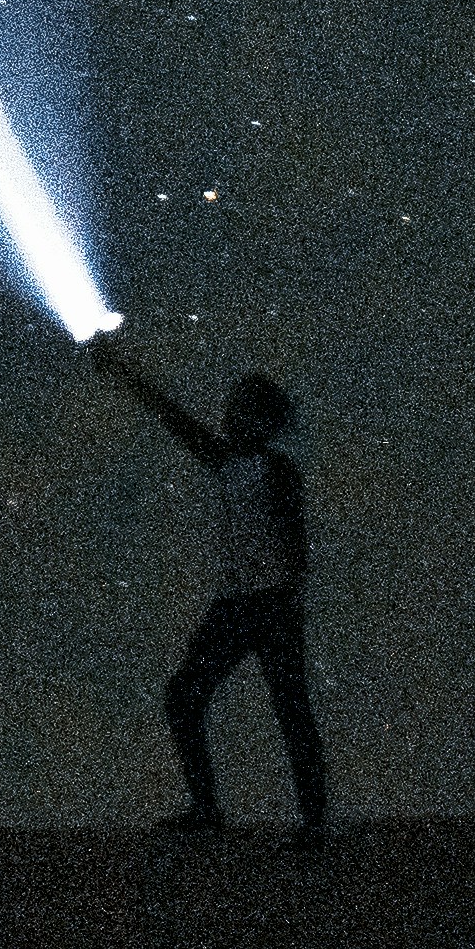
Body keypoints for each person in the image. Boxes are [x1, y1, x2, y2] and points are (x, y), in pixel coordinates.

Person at [92, 331, 329, 852]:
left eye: (239, 409)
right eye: (229, 408)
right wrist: (124, 372)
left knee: (288, 707)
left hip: (268, 601)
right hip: (242, 600)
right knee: (190, 697)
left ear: (260, 419)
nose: (227, 415)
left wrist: (287, 596)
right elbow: (175, 419)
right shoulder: (229, 462)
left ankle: (310, 821)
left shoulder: (273, 467)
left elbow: (297, 539)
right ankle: (212, 810)